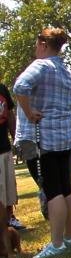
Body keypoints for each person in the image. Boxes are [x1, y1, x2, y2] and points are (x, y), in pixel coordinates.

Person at [12, 27, 71, 258]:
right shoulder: (67, 72)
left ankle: (57, 244)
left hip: (44, 140)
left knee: (53, 193)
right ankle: (70, 238)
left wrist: (30, 112)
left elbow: (19, 87)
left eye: (36, 44)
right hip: (65, 139)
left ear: (43, 43)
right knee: (67, 189)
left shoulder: (41, 66)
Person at [0, 80, 17, 233]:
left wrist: (16, 139)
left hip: (4, 147)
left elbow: (10, 115)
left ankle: (10, 218)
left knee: (9, 188)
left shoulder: (2, 88)